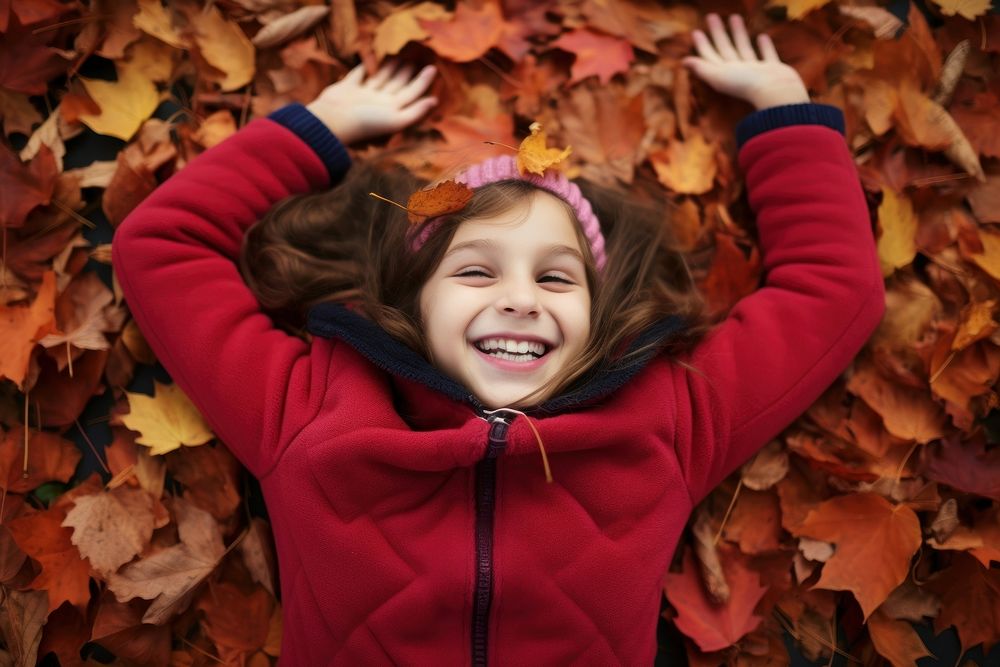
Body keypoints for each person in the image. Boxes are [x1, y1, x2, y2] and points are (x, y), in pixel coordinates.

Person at [111, 13, 885, 666]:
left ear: (596, 312)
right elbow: (161, 249)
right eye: (476, 273)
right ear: (415, 304)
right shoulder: (309, 411)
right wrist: (319, 131)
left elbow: (834, 291)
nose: (520, 298)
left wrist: (784, 108)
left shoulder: (668, 419)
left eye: (556, 279)